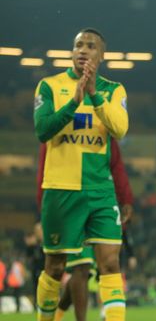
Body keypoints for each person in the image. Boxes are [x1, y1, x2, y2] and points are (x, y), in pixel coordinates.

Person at [33, 28, 129, 321]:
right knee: (55, 266)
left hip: (100, 189)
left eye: (90, 46)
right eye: (78, 45)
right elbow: (43, 130)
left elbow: (120, 129)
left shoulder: (114, 90)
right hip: (62, 188)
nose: (83, 50)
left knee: (110, 264)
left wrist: (94, 96)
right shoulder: (49, 86)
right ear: (72, 51)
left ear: (101, 55)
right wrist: (75, 101)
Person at [34, 138, 133, 321]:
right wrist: (41, 213)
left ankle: (69, 317)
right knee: (66, 268)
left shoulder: (104, 117)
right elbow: (45, 163)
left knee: (88, 268)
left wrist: (125, 196)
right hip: (66, 199)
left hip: (97, 197)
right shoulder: (58, 116)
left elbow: (115, 160)